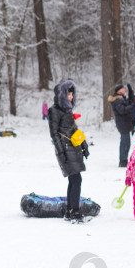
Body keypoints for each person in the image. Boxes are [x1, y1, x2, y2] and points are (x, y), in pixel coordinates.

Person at [48, 79, 90, 222]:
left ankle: (70, 209)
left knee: (74, 180)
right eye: (68, 94)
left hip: (74, 148)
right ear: (62, 95)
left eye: (72, 95)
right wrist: (61, 152)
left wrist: (84, 144)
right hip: (66, 150)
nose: (71, 97)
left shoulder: (68, 110)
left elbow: (74, 130)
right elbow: (54, 134)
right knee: (76, 179)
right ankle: (74, 211)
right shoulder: (54, 111)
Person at [109, 83, 135, 167]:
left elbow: (132, 100)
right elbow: (122, 110)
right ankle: (122, 161)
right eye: (123, 89)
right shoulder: (117, 100)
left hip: (126, 123)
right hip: (122, 124)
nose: (124, 90)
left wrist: (130, 91)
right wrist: (131, 106)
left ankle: (124, 160)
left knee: (126, 142)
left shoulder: (122, 99)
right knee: (125, 143)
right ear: (119, 90)